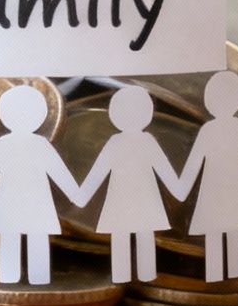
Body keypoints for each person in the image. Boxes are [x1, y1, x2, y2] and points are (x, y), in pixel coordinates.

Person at [0, 85, 90, 284]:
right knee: (36, 245)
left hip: (9, 206)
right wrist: (78, 195)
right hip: (36, 206)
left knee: (11, 244)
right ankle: (36, 277)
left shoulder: (3, 145)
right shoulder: (40, 145)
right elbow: (62, 176)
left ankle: (13, 276)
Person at [80, 85, 191, 283]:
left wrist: (81, 196)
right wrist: (179, 189)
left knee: (125, 237)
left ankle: (126, 274)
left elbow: (98, 172)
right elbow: (164, 170)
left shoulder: (118, 142)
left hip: (123, 199)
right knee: (143, 236)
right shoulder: (145, 141)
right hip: (143, 199)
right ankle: (144, 274)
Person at [176, 70, 238, 281]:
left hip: (215, 189)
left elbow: (194, 162)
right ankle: (228, 277)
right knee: (231, 233)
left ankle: (221, 277)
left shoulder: (210, 130)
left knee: (219, 234)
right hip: (233, 189)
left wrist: (181, 188)